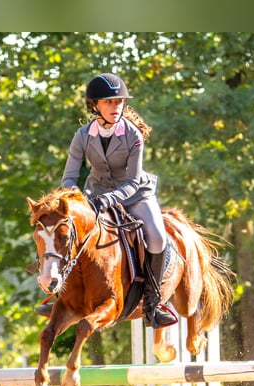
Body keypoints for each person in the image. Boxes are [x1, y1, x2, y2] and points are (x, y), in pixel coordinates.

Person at [36, 72, 177, 328]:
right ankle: (60, 295)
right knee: (66, 231)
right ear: (95, 105)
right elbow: (69, 178)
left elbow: (133, 181)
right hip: (95, 194)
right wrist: (76, 201)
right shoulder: (82, 136)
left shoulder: (133, 135)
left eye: (119, 102)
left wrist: (108, 200)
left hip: (135, 195)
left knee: (156, 237)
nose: (116, 107)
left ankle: (153, 303)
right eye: (109, 102)